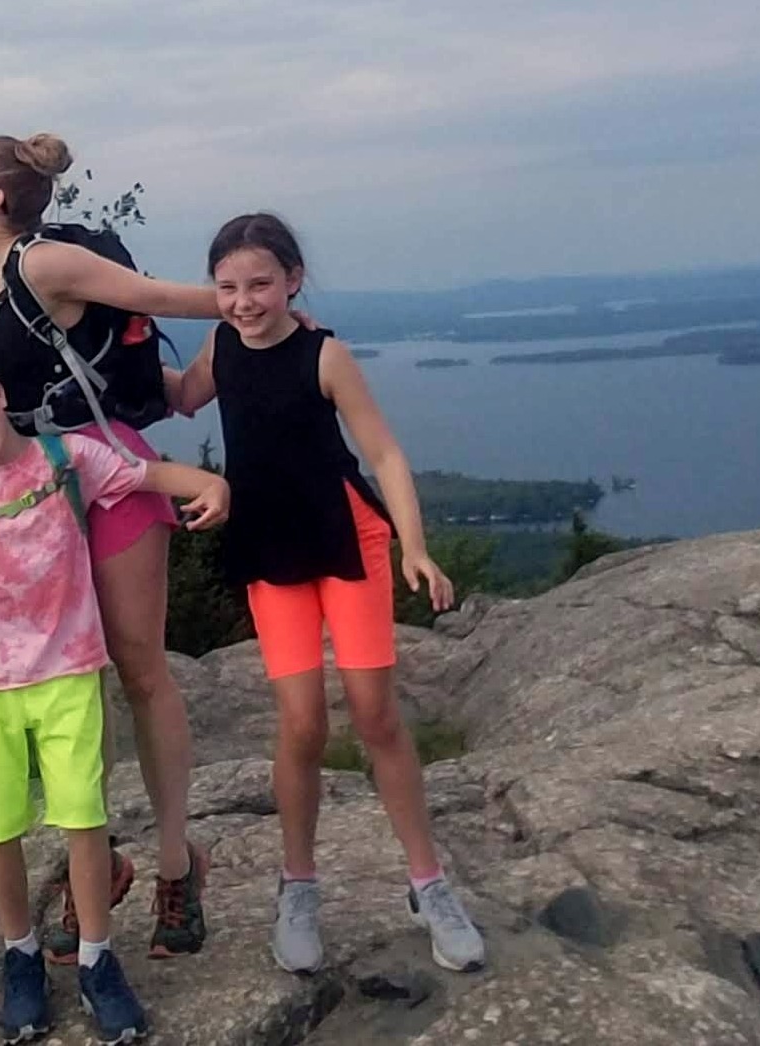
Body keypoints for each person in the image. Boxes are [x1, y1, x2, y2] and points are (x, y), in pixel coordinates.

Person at [166, 213, 488, 975]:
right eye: (227, 288)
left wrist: (414, 546)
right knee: (302, 723)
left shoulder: (324, 354)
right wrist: (99, 334)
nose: (244, 301)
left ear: (293, 280)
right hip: (268, 545)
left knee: (375, 713)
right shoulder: (221, 348)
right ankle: (298, 887)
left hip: (347, 539)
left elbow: (384, 453)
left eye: (260, 284)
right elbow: (179, 397)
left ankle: (428, 885)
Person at [0, 132, 224, 964]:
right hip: (32, 496)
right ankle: (100, 863)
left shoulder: (42, 262)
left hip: (108, 477)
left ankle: (176, 864)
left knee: (138, 668)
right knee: (70, 682)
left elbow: (160, 297)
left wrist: (249, 300)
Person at [0, 355, 230, 1043]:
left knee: (83, 820)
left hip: (68, 673)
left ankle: (98, 960)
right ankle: (20, 956)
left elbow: (143, 475)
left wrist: (208, 482)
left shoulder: (67, 457)